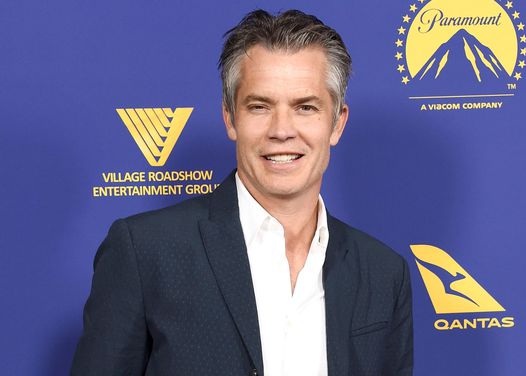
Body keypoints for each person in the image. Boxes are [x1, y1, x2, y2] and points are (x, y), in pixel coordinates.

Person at [71, 9, 413, 376]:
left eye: (305, 107)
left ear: (336, 123)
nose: (282, 130)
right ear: (230, 118)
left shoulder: (383, 272)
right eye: (260, 106)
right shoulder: (145, 252)